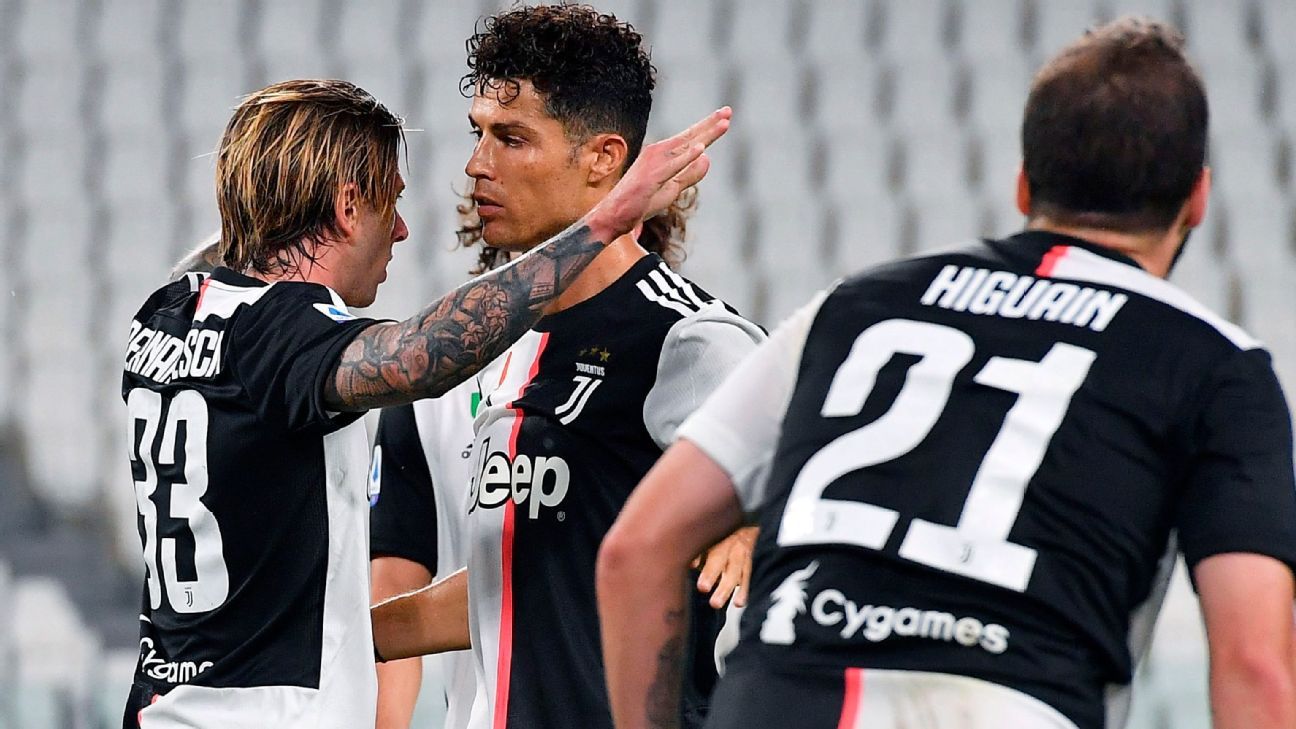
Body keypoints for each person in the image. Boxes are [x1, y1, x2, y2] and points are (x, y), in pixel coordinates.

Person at [597, 17, 1296, 729]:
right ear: (1198, 198)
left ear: (1023, 185)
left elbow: (636, 548)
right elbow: (1254, 665)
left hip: (778, 700)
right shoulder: (1220, 368)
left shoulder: (850, 306)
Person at [119, 76, 730, 729]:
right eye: (390, 202)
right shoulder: (286, 335)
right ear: (348, 207)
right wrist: (603, 220)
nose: (402, 230)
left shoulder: (166, 313)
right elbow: (421, 356)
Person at [368, 7, 764, 729]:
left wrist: (756, 514)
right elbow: (522, 583)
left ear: (603, 158)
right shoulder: (490, 347)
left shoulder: (686, 338)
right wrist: (317, 635)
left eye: (512, 138)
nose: (477, 164)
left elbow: (817, 489)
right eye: (478, 133)